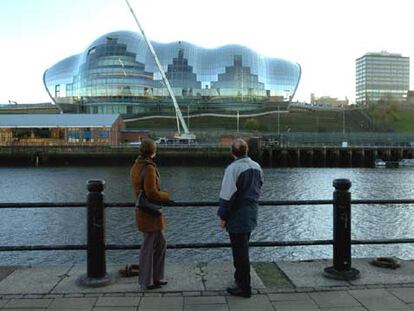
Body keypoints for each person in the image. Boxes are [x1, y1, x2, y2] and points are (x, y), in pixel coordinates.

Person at [217, 138, 263, 298]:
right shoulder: (256, 166)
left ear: (232, 152)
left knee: (240, 253)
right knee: (243, 248)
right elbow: (260, 186)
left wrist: (222, 216)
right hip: (251, 213)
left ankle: (244, 287)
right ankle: (241, 282)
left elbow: (227, 195)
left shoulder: (233, 169)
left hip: (237, 215)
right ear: (246, 151)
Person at [130, 138, 170, 290]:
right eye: (155, 148)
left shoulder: (136, 165)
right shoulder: (149, 168)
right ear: (152, 151)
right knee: (148, 247)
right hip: (150, 213)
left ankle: (157, 277)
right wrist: (166, 196)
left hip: (144, 210)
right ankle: (147, 281)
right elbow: (151, 192)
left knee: (160, 244)